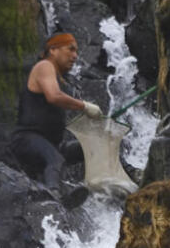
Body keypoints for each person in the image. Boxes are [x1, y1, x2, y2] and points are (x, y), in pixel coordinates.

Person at [10, 32, 103, 193]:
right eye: (70, 49)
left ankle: (99, 188)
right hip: (26, 140)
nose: (75, 56)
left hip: (52, 145)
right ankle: (53, 198)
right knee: (55, 159)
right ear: (53, 50)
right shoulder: (44, 66)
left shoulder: (60, 77)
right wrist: (85, 107)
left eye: (76, 51)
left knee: (92, 146)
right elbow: (53, 96)